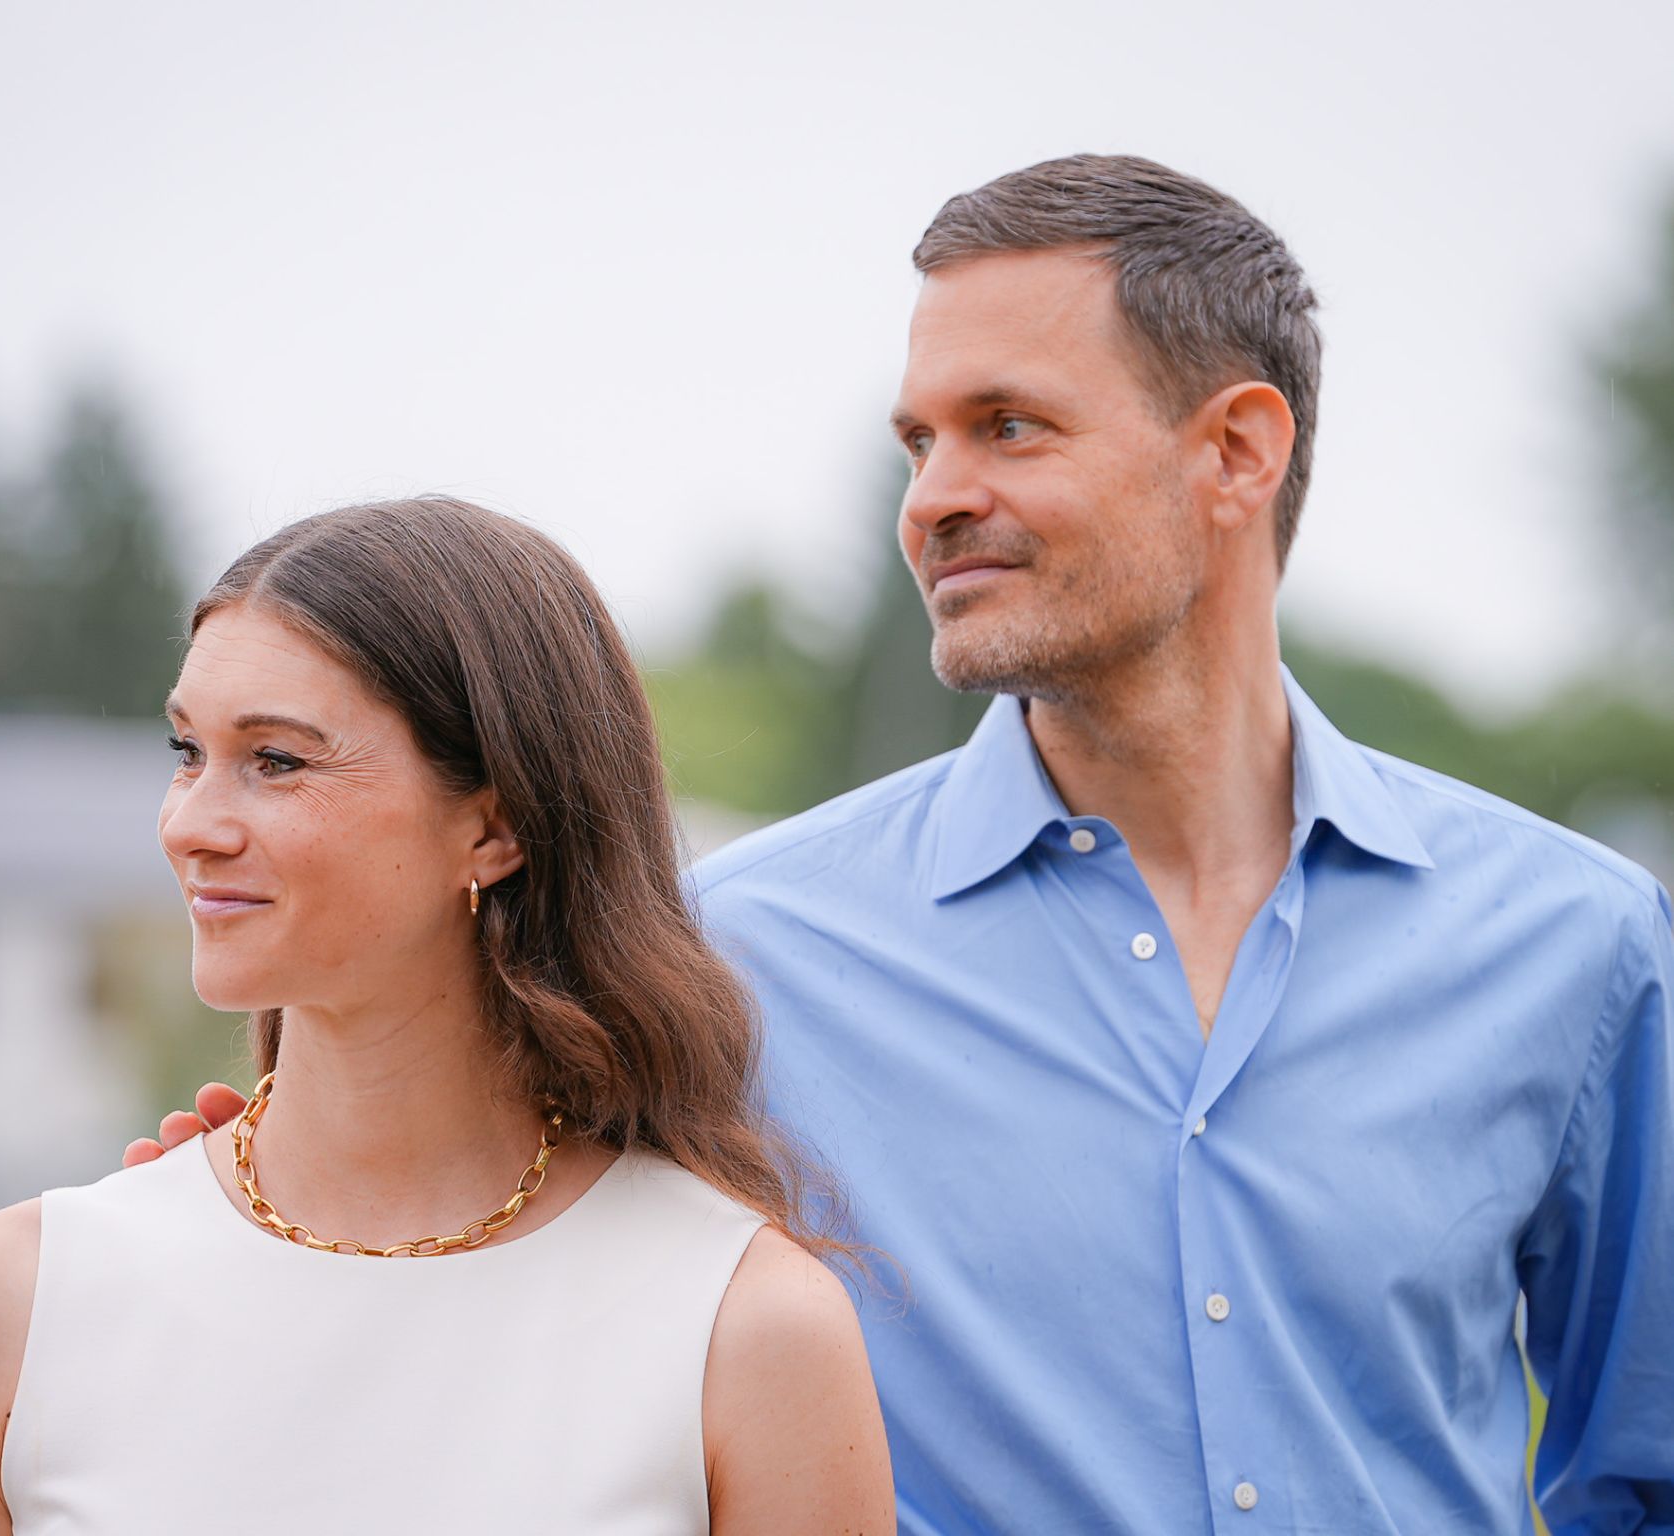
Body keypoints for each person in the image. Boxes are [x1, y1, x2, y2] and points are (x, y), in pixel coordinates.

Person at [137, 157, 1674, 1533]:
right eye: (915, 443)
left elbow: (1643, 1473)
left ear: (1235, 452)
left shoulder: (1575, 944)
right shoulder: (725, 953)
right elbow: (453, 1238)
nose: (934, 500)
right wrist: (233, 1202)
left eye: (1003, 427)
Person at [0, 498, 894, 1534]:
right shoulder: (11, 1302)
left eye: (276, 760)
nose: (191, 824)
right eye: (187, 750)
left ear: (495, 825)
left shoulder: (744, 1327)